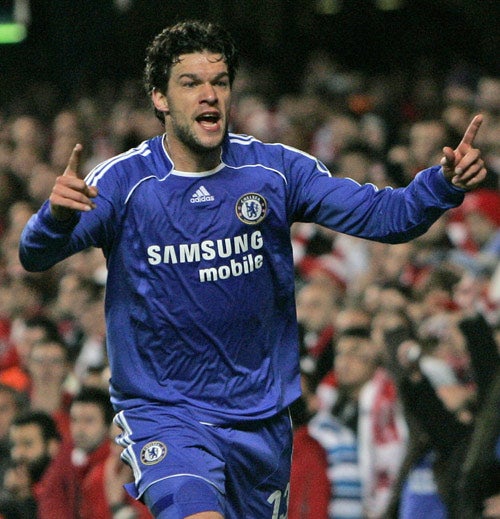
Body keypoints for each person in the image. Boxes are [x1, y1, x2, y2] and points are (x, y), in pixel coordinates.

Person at [18, 19, 487, 519]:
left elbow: (384, 216)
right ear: (159, 98)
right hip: (167, 414)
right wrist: (55, 217)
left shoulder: (273, 171)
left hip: (261, 419)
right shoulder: (124, 182)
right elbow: (35, 255)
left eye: (219, 82)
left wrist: (442, 184)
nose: (209, 96)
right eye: (191, 83)